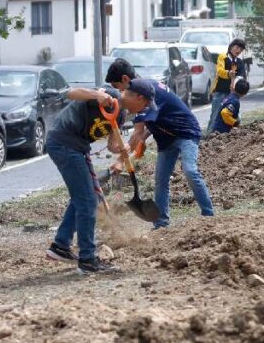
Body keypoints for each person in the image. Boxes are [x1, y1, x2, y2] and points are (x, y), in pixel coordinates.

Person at [44, 83, 149, 274]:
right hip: (64, 144)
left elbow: (110, 144)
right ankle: (87, 260)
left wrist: (121, 148)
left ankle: (60, 246)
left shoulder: (121, 114)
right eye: (146, 105)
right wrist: (95, 95)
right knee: (88, 200)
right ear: (139, 98)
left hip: (78, 148)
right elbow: (70, 93)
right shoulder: (109, 95)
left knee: (82, 198)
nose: (144, 110)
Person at [106, 61, 215, 228]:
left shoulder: (143, 93)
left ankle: (209, 216)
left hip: (186, 133)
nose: (118, 93)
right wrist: (142, 138)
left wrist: (121, 160)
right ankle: (161, 223)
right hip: (166, 139)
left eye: (117, 87)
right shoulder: (143, 88)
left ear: (125, 79)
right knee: (160, 180)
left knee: (190, 170)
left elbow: (137, 131)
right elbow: (157, 118)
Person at [206, 39, 247, 135]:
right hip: (220, 91)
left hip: (232, 93)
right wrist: (228, 73)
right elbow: (220, 71)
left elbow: (241, 76)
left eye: (240, 49)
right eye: (236, 47)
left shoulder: (240, 62)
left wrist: (236, 83)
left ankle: (234, 134)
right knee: (215, 114)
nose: (238, 50)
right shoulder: (223, 57)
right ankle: (209, 135)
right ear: (231, 46)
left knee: (235, 113)